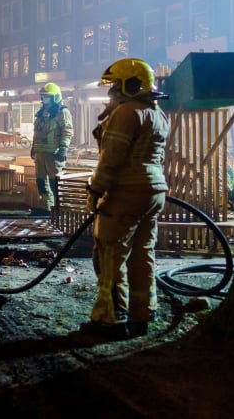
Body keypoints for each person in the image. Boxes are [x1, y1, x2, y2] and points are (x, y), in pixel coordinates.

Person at [80, 58, 170, 339]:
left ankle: (111, 319)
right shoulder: (157, 114)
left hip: (125, 193)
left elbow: (112, 159)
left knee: (111, 254)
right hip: (154, 193)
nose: (111, 93)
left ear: (131, 85)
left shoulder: (126, 113)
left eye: (116, 86)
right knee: (143, 253)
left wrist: (95, 190)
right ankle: (143, 314)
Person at [30, 82, 73, 215]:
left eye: (47, 96)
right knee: (41, 181)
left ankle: (61, 209)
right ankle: (46, 207)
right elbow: (37, 132)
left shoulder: (62, 112)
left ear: (55, 97)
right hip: (40, 152)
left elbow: (67, 131)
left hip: (54, 153)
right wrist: (33, 148)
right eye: (43, 96)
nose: (44, 99)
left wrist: (64, 148)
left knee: (56, 182)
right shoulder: (41, 113)